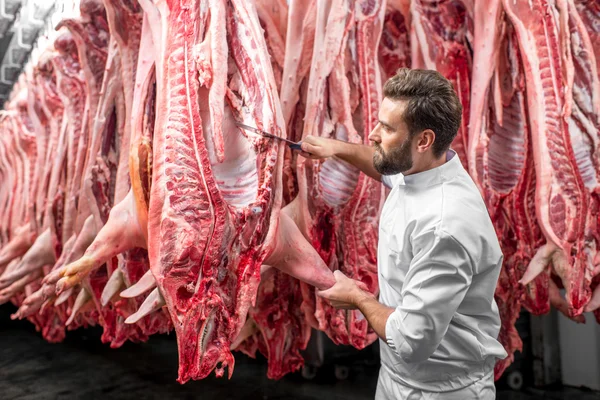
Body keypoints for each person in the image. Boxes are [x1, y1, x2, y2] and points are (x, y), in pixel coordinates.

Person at [300, 68, 508, 399]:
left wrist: (356, 298)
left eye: (385, 127)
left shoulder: (444, 226)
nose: (372, 134)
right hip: (397, 378)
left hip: (443, 391)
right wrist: (335, 148)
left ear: (423, 140)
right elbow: (383, 166)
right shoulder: (424, 168)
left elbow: (412, 340)